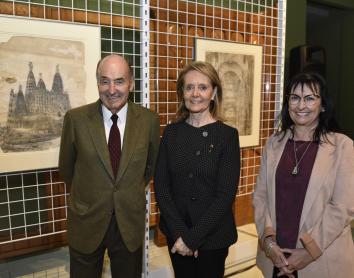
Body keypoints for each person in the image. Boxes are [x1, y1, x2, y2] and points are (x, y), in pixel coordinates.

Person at [59, 54, 160, 278]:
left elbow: (150, 168)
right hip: (87, 221)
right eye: (104, 81)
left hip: (128, 224)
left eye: (119, 81)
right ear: (97, 83)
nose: (111, 89)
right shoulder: (76, 120)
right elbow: (67, 169)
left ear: (132, 83)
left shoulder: (149, 121)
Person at [253, 72, 354, 278]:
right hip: (276, 259)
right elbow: (260, 197)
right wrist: (269, 243)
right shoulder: (274, 143)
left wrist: (308, 252)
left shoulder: (342, 146)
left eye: (310, 98)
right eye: (295, 97)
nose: (301, 106)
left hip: (322, 261)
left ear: (322, 104)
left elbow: (343, 207)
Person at [154, 61, 241, 278]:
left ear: (214, 93)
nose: (195, 93)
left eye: (203, 87)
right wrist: (180, 235)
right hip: (177, 234)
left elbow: (225, 196)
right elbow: (162, 187)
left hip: (213, 237)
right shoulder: (171, 133)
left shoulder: (227, 136)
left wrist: (192, 239)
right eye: (189, 87)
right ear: (182, 92)